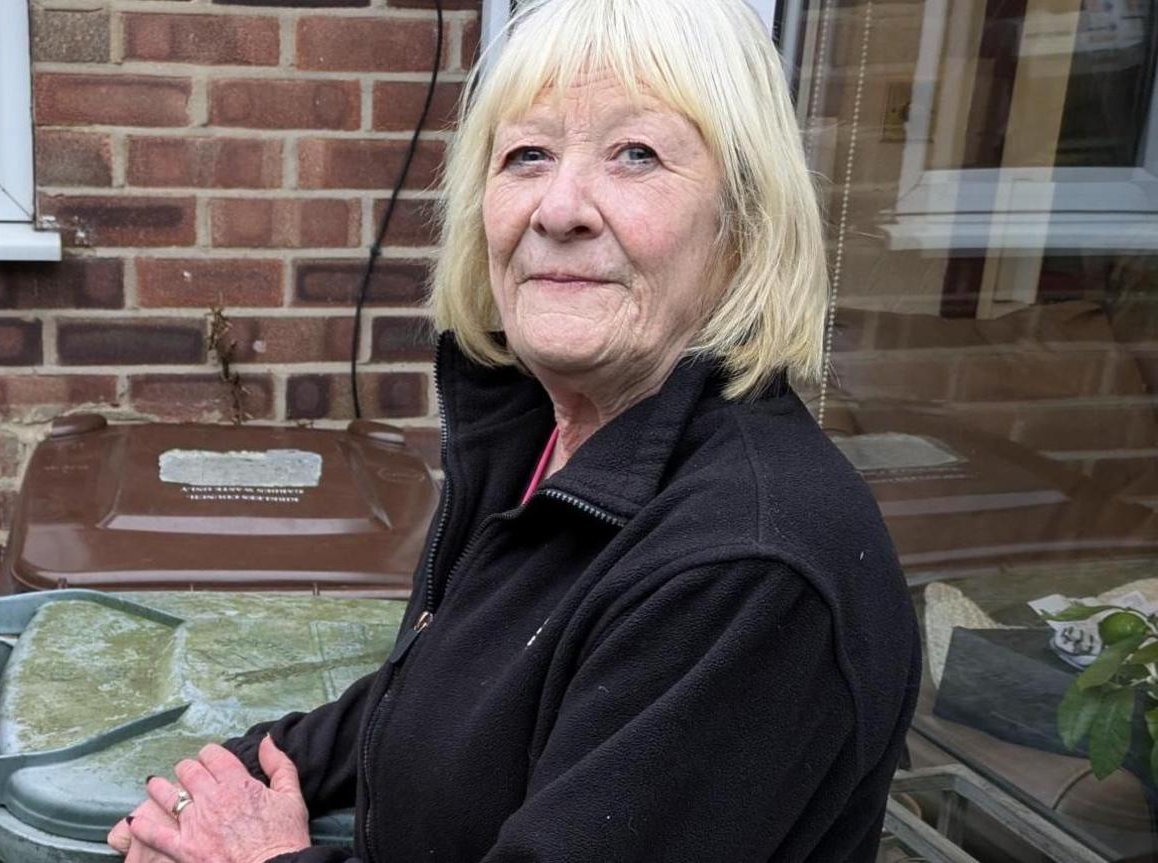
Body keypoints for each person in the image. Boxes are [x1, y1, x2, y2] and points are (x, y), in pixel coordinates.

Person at [108, 0, 920, 859]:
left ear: (742, 227)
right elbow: (444, 693)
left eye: (636, 154)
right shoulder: (548, 438)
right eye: (527, 155)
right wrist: (231, 777)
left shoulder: (745, 571)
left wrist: (260, 859)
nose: (559, 208)